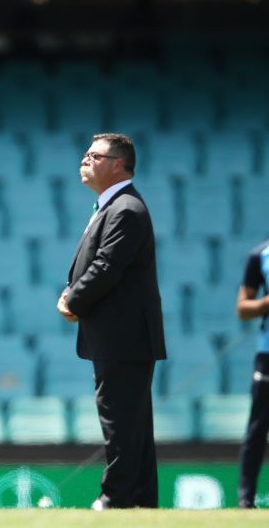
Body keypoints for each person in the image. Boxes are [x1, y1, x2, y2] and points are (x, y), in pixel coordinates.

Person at [56, 133, 166, 510]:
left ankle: (116, 497)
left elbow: (107, 266)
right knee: (132, 423)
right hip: (121, 334)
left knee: (120, 420)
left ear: (118, 164)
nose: (84, 161)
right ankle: (141, 500)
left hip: (124, 336)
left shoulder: (126, 210)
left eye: (94, 155)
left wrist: (73, 298)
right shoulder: (113, 206)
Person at [235, 238, 269, 508]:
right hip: (267, 355)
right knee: (258, 428)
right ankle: (246, 501)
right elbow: (243, 308)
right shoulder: (259, 255)